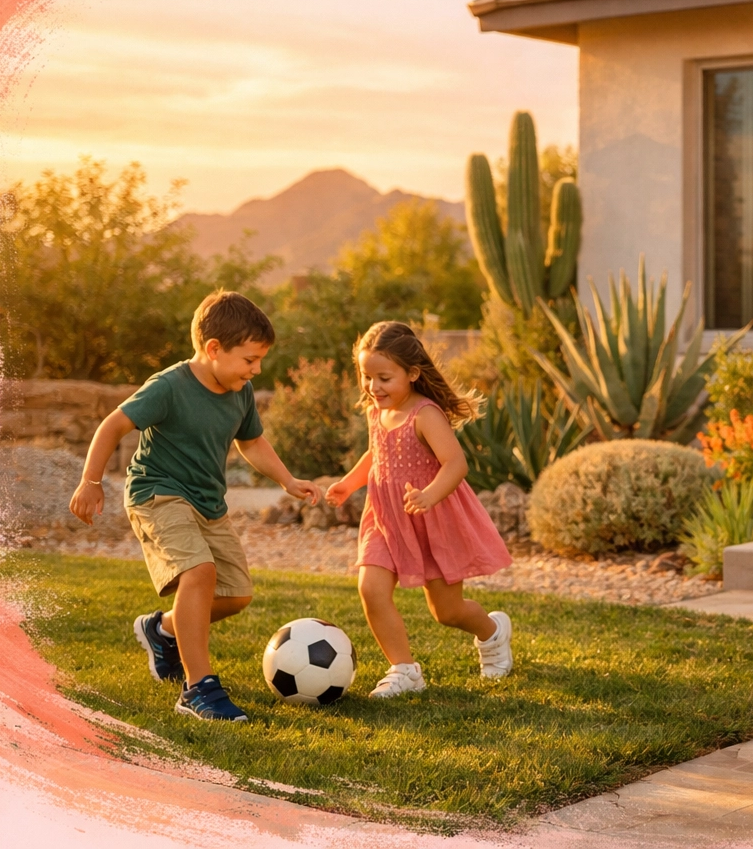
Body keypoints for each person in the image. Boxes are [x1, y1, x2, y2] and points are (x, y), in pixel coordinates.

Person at [68, 290, 324, 722]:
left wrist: (287, 479)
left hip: (208, 502)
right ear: (213, 349)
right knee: (199, 573)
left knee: (236, 594)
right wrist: (91, 482)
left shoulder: (239, 390)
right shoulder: (169, 386)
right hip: (158, 492)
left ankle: (162, 629)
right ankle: (198, 688)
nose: (256, 369)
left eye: (260, 360)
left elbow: (252, 441)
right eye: (250, 359)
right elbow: (113, 424)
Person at [324, 321, 514, 697]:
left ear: (412, 374)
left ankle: (492, 633)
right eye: (366, 377)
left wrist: (429, 495)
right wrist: (349, 482)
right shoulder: (375, 410)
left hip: (432, 518)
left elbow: (456, 464)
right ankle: (405, 670)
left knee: (447, 612)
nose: (373, 387)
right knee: (371, 589)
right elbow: (376, 455)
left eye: (383, 378)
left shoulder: (425, 414)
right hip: (385, 519)